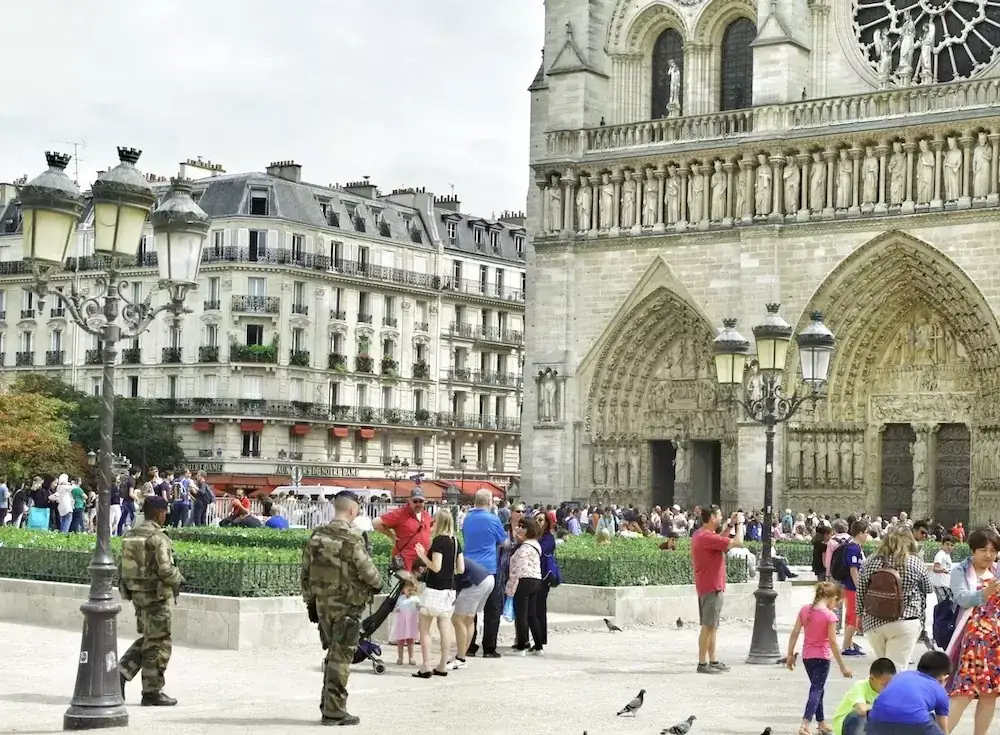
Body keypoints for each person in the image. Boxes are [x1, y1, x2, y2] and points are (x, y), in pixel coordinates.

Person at [301, 490, 382, 727]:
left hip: (322, 606)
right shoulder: (353, 539)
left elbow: (305, 573)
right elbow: (371, 576)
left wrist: (310, 602)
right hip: (348, 607)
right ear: (353, 511)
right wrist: (377, 583)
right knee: (341, 658)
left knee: (332, 655)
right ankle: (334, 712)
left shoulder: (316, 536)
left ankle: (328, 705)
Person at [117, 495, 184, 706]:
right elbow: (165, 569)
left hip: (137, 595)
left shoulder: (130, 534)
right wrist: (179, 578)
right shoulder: (158, 537)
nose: (166, 516)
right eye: (165, 512)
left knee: (149, 638)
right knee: (160, 643)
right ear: (159, 513)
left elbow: (122, 567)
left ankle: (118, 673)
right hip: (156, 597)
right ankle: (152, 692)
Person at [945, 528, 1000, 734]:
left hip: (994, 642)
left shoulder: (997, 570)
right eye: (983, 550)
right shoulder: (961, 570)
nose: (988, 555)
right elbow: (961, 598)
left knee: (989, 694)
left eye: (993, 551)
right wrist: (983, 594)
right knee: (963, 692)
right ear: (972, 550)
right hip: (972, 640)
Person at [856, 528, 933, 672]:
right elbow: (928, 588)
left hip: (874, 621)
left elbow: (861, 590)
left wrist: (859, 615)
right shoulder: (914, 561)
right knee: (896, 670)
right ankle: (892, 694)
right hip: (905, 620)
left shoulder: (871, 561)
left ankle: (881, 693)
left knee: (883, 668)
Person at [786, 581, 854, 735]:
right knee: (816, 689)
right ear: (832, 598)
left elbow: (795, 633)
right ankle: (805, 724)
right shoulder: (829, 616)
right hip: (822, 658)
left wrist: (790, 654)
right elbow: (833, 642)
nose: (836, 607)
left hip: (807, 657)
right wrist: (843, 666)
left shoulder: (805, 610)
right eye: (836, 603)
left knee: (818, 689)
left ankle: (821, 722)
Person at [690, 506, 743, 674]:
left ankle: (712, 660)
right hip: (711, 586)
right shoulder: (706, 536)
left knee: (713, 626)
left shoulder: (702, 535)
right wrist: (740, 524)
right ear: (712, 518)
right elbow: (738, 542)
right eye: (719, 515)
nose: (721, 517)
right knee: (708, 626)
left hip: (710, 585)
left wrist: (729, 526)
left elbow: (719, 541)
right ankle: (702, 663)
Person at [413, 509, 463, 678]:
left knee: (425, 628)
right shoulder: (456, 541)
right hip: (449, 590)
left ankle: (426, 666)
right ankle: (442, 665)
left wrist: (422, 556)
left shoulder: (438, 541)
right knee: (445, 627)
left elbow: (436, 567)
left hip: (434, 589)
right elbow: (461, 568)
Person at [461, 488, 508, 658]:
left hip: (469, 567)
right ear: (489, 502)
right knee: (492, 609)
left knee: (469, 608)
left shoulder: (467, 519)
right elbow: (503, 542)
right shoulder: (493, 519)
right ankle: (489, 648)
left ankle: (468, 645)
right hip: (488, 568)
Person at [866, 650, 952, 734]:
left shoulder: (901, 675)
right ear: (945, 678)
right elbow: (942, 726)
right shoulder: (940, 690)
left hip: (876, 718)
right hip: (914, 720)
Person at [506, 514, 544, 655]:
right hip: (535, 580)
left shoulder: (525, 547)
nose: (519, 528)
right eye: (519, 526)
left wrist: (511, 587)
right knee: (531, 615)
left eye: (523, 527)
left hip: (523, 581)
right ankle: (538, 646)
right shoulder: (535, 544)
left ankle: (521, 646)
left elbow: (518, 570)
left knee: (521, 615)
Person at [831, 657, 898, 735]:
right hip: (846, 726)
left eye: (891, 683)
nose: (888, 687)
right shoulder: (860, 686)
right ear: (872, 678)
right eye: (884, 684)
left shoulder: (892, 689)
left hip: (869, 726)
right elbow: (861, 710)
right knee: (863, 715)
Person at [373, 487, 432, 573]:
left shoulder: (426, 515)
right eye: (415, 501)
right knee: (407, 586)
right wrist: (391, 536)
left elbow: (429, 531)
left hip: (421, 564)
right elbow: (376, 522)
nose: (418, 504)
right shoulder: (400, 513)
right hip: (404, 562)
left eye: (421, 501)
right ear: (409, 501)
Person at [450, 557, 495, 669]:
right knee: (469, 618)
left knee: (457, 619)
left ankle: (461, 658)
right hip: (488, 579)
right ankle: (461, 657)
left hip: (476, 582)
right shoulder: (454, 556)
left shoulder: (443, 561)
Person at [389, 579, 420, 666]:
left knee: (410, 641)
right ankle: (400, 657)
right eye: (409, 590)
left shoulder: (416, 599)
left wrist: (420, 607)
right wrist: (396, 610)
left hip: (411, 623)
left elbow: (419, 608)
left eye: (413, 590)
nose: (411, 592)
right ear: (404, 589)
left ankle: (411, 657)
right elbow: (396, 608)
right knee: (400, 642)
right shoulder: (400, 598)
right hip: (402, 623)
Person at [931, 535, 954, 603]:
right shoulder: (940, 554)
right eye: (947, 544)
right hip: (940, 584)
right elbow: (935, 569)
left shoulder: (947, 555)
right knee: (944, 605)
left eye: (951, 545)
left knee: (949, 604)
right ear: (942, 545)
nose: (949, 547)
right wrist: (943, 570)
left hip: (946, 584)